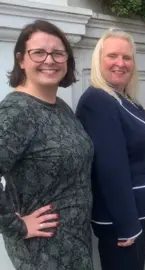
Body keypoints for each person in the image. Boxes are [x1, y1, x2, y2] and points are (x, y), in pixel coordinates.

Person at [0, 20, 94, 269]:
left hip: (75, 244)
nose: (49, 60)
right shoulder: (15, 112)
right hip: (44, 252)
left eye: (58, 53)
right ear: (21, 59)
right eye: (38, 52)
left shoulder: (60, 107)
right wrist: (16, 225)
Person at [75, 28, 145, 270]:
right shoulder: (98, 102)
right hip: (121, 220)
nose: (120, 63)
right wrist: (127, 225)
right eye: (112, 56)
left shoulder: (120, 96)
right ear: (98, 60)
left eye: (127, 58)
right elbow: (110, 168)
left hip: (134, 210)